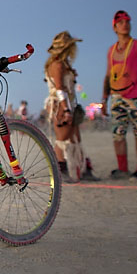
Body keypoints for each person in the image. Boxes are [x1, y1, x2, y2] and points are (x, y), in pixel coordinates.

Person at [102, 10, 137, 182]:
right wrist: (104, 99)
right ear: (114, 27)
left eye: (127, 21)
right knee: (118, 134)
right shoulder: (111, 50)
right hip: (117, 97)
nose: (125, 24)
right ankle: (122, 168)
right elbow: (108, 76)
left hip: (136, 96)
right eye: (121, 22)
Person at [44, 31, 98, 182]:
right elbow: (60, 88)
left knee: (75, 139)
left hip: (67, 103)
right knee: (63, 138)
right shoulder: (57, 64)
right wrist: (66, 109)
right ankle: (60, 170)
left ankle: (82, 169)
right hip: (60, 105)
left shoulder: (63, 64)